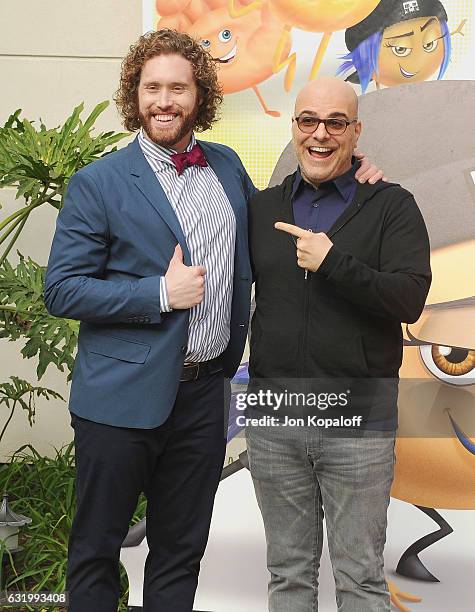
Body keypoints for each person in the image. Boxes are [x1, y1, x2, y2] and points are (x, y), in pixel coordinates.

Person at [44, 28, 382, 611]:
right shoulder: (98, 183)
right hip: (119, 401)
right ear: (135, 94)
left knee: (180, 552)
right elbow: (62, 289)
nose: (164, 100)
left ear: (199, 95)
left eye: (178, 87)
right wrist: (157, 293)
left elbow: (280, 218)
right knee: (97, 550)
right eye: (152, 88)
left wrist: (352, 171)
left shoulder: (225, 167)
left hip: (203, 398)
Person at [246, 76, 432, 611]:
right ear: (295, 126)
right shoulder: (262, 208)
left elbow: (409, 299)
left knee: (360, 579)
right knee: (288, 577)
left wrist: (334, 264)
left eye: (335, 123)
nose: (320, 134)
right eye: (309, 121)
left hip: (358, 419)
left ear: (356, 132)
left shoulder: (392, 206)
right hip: (275, 417)